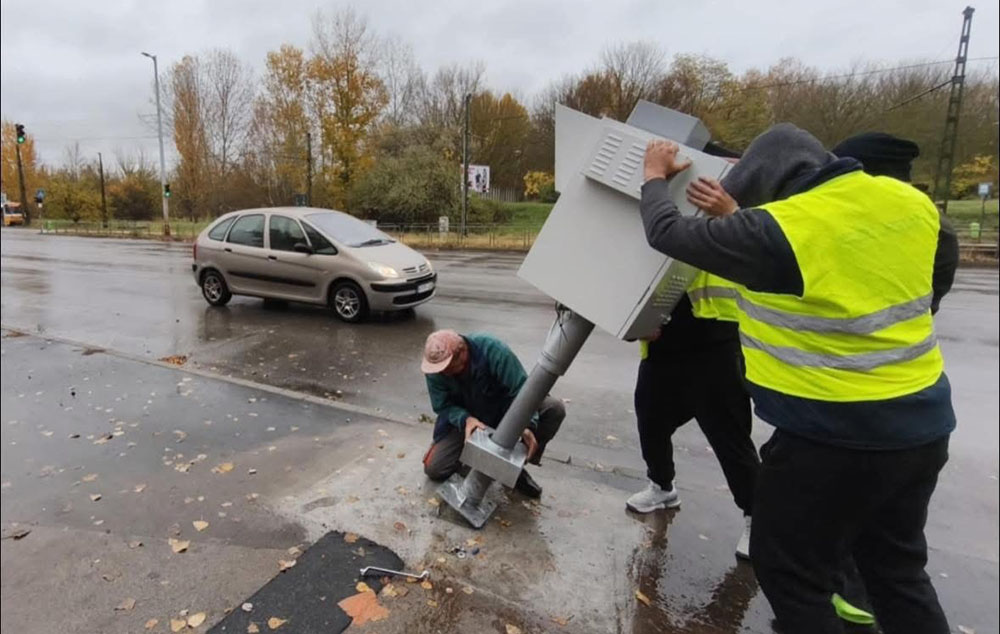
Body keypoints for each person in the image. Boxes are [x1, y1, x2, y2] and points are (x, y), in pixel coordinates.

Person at [639, 124, 955, 634]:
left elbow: (666, 233)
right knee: (897, 572)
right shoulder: (906, 202)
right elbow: (939, 257)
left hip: (831, 435)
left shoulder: (780, 227)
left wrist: (654, 177)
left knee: (791, 573)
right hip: (923, 426)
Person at [626, 144, 760, 562]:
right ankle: (662, 488)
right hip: (663, 342)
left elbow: (761, 255)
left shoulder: (739, 211)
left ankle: (757, 517)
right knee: (650, 419)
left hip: (715, 344)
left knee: (729, 436)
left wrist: (730, 211)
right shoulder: (670, 207)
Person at [420, 329, 565, 498]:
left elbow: (522, 391)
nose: (444, 373)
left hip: (506, 413)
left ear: (462, 353)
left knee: (554, 409)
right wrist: (465, 419)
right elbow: (442, 406)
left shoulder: (493, 350)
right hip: (469, 421)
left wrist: (525, 425)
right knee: (435, 468)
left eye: (448, 368)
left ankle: (514, 468)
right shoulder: (436, 370)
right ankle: (484, 462)